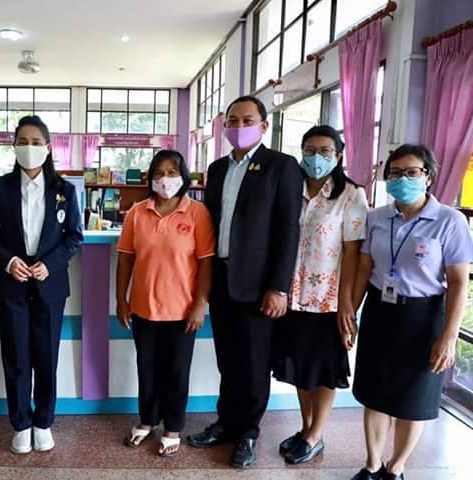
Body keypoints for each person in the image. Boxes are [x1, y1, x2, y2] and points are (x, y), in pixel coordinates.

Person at [187, 95, 303, 469]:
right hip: (221, 280)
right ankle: (226, 423)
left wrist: (279, 287)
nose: (238, 127)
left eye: (247, 120)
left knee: (254, 363)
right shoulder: (218, 168)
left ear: (264, 126)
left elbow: (288, 230)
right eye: (232, 120)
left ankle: (248, 432)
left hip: (259, 286)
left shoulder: (281, 166)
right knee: (228, 359)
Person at [345, 144, 473, 480]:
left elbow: (459, 283)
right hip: (379, 312)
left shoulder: (450, 221)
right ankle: (372, 464)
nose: (402, 178)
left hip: (424, 317)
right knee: (374, 394)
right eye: (395, 172)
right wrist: (350, 313)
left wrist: (449, 336)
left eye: (411, 172)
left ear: (428, 176)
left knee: (413, 400)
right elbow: (364, 269)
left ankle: (396, 468)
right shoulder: (376, 218)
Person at [0, 115, 82, 454]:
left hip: (49, 286)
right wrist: (9, 261)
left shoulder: (65, 190)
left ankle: (43, 422)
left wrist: (50, 264)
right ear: (14, 147)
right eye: (22, 142)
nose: (29, 148)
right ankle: (21, 423)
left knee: (46, 357)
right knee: (16, 357)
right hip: (11, 283)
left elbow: (73, 237)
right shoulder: (0, 188)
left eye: (36, 142)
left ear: (48, 148)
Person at [272, 126, 368, 464]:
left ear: (338, 155)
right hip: (291, 298)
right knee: (300, 368)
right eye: (310, 150)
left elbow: (353, 253)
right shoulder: (289, 189)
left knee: (323, 370)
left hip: (327, 300)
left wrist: (347, 304)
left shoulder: (351, 195)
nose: (317, 157)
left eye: (325, 151)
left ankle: (316, 435)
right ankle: (306, 428)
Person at [116, 150, 215, 457]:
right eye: (159, 173)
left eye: (172, 172)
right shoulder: (137, 212)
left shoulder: (197, 212)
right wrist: (121, 299)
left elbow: (206, 263)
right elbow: (125, 258)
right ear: (150, 178)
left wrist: (200, 304)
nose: (165, 179)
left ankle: (172, 427)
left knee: (176, 371)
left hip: (182, 310)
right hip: (143, 308)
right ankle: (147, 420)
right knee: (146, 369)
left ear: (183, 177)